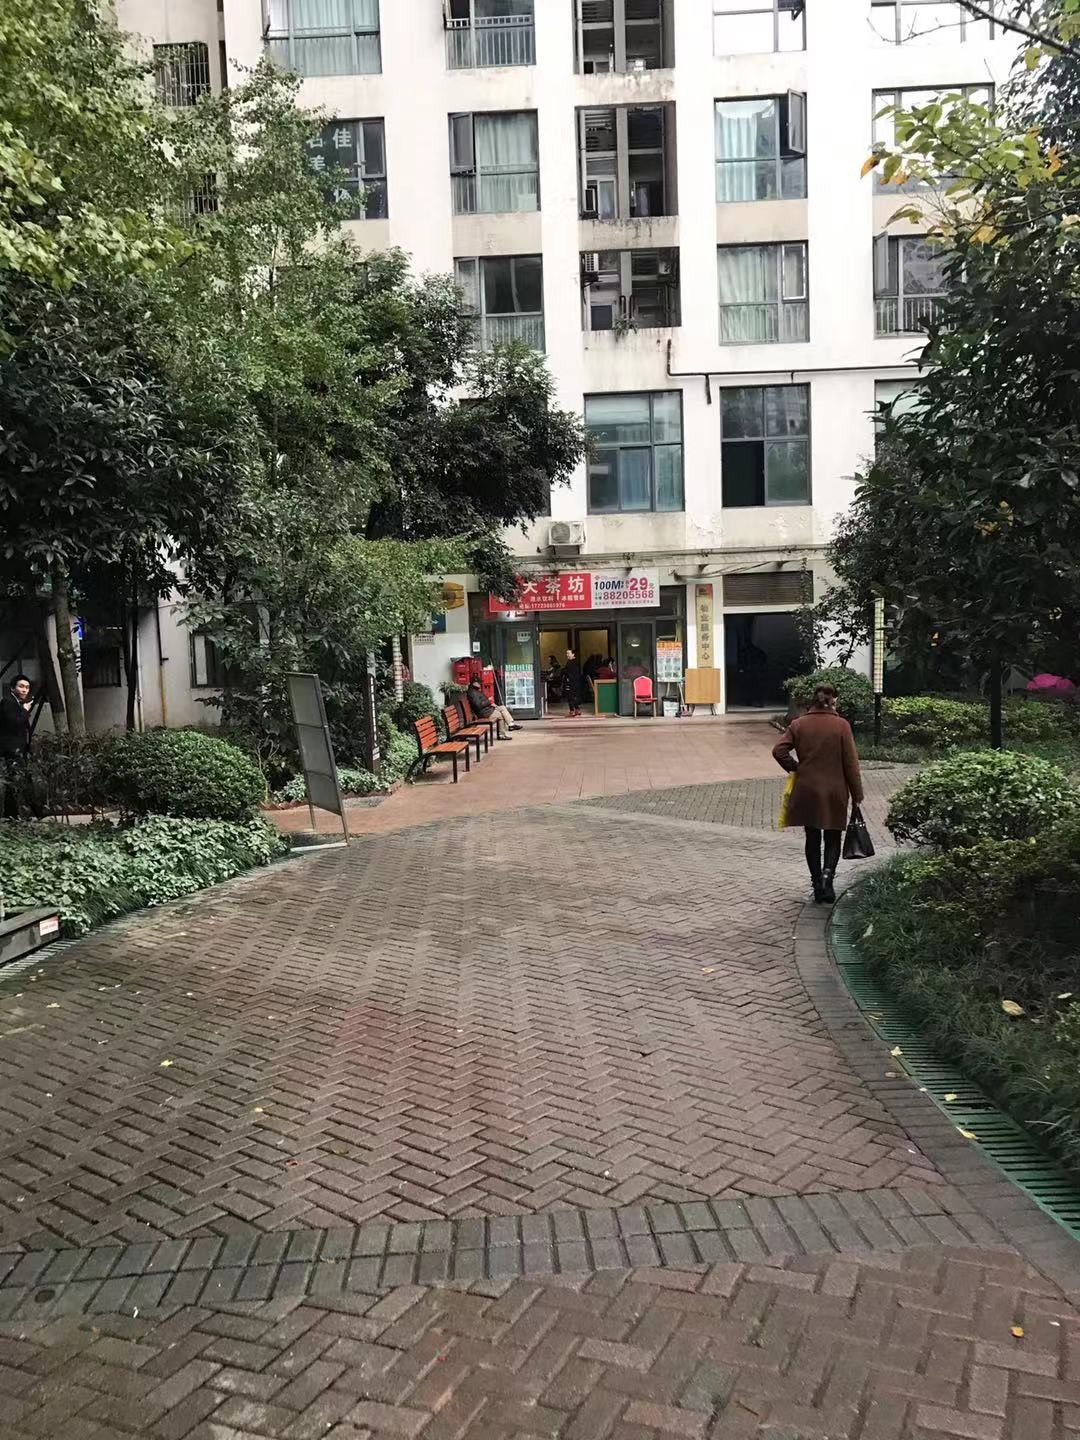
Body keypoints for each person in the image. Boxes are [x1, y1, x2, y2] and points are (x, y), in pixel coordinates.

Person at [771, 682, 864, 905]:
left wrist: (796, 768)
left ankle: (816, 884)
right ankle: (827, 880)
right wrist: (857, 794)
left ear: (813, 700)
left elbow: (779, 751)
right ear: (834, 700)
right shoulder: (841, 726)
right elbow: (851, 764)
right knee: (833, 836)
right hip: (835, 790)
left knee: (812, 837)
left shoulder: (799, 724)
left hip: (808, 789)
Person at [0, 674, 34, 820]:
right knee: (18, 780)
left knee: (14, 782)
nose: (25, 690)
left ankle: (11, 814)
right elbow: (15, 723)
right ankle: (32, 811)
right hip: (11, 750)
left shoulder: (16, 703)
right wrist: (25, 710)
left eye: (27, 687)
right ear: (12, 688)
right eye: (21, 686)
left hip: (17, 749)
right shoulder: (7, 702)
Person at [562, 648, 583, 717]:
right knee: (573, 696)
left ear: (573, 654)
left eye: (568, 653)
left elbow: (569, 672)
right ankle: (577, 709)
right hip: (574, 682)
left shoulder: (572, 662)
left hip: (571, 682)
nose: (567, 655)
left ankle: (572, 711)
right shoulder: (573, 662)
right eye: (566, 653)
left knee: (570, 696)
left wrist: (566, 675)